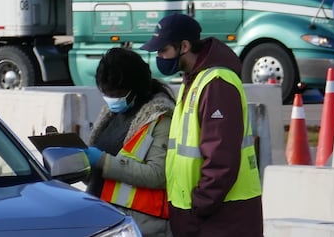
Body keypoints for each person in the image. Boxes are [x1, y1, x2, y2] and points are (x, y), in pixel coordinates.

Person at [141, 13, 263, 237]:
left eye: (163, 50)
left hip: (221, 217)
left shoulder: (216, 83)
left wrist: (200, 205)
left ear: (184, 46)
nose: (159, 57)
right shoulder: (194, 80)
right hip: (201, 216)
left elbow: (221, 158)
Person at [84, 47, 175, 237]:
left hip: (143, 225)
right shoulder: (110, 114)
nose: (111, 99)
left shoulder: (160, 117)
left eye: (116, 93)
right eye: (106, 93)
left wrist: (102, 161)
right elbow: (102, 176)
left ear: (135, 89)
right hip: (107, 219)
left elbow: (158, 174)